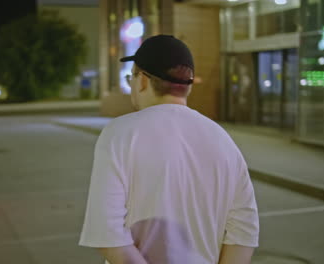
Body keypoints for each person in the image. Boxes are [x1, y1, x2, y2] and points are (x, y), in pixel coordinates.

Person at [79, 35, 259, 264]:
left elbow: (107, 233)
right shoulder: (223, 139)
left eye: (131, 77)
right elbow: (244, 230)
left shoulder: (120, 134)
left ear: (142, 80)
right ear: (187, 87)